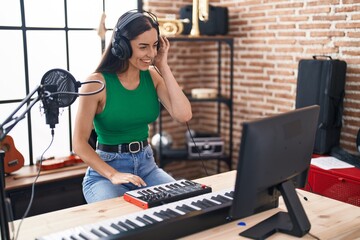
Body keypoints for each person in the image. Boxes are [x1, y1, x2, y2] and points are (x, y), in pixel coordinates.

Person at [72, 10, 192, 203]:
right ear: (122, 47)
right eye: (143, 47)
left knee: (183, 204)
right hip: (105, 173)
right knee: (120, 221)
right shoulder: (95, 84)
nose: (151, 54)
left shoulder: (152, 76)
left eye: (154, 46)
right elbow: (79, 143)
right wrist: (113, 175)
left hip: (147, 167)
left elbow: (184, 115)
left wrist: (164, 66)